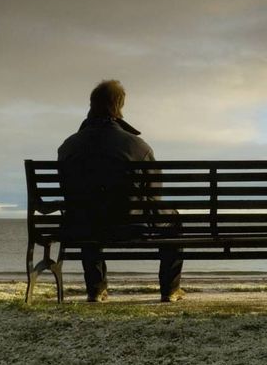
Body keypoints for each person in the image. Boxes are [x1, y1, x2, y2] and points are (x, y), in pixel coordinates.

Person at [57, 79, 183, 302]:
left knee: (87, 214)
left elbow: (68, 193)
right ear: (119, 106)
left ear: (91, 105)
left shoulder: (69, 146)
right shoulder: (138, 146)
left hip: (83, 226)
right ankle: (170, 289)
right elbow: (154, 196)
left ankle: (96, 289)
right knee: (173, 220)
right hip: (130, 225)